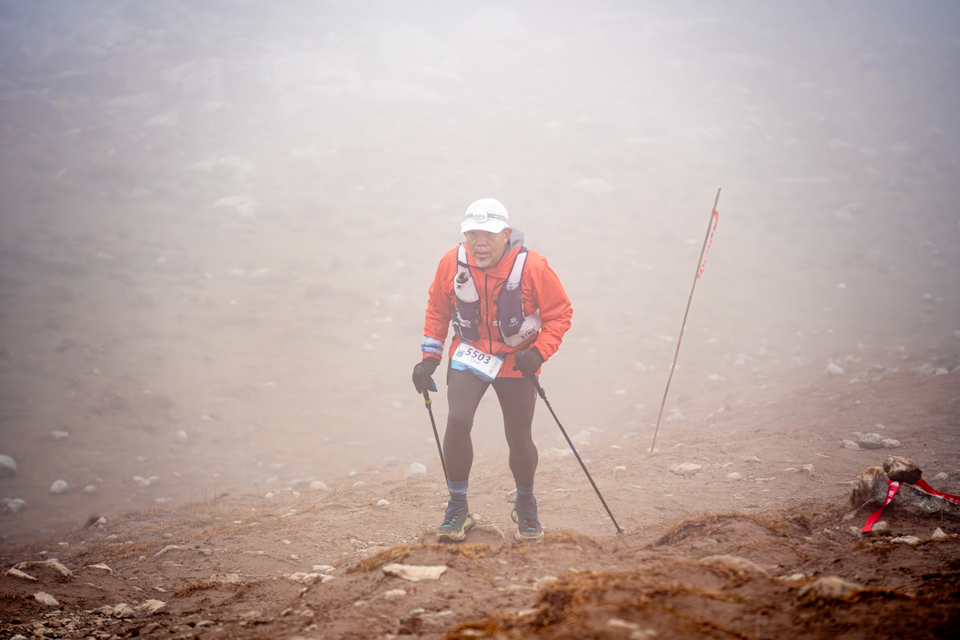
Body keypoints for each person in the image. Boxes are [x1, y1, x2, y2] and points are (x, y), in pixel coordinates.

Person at [411, 198, 573, 542]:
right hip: (469, 353)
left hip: (516, 358)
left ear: (506, 234)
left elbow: (560, 313)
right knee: (457, 421)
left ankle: (525, 506)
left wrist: (540, 353)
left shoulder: (533, 267)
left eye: (488, 233)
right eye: (472, 233)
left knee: (518, 435)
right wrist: (429, 359)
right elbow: (438, 310)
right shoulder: (450, 263)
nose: (479, 242)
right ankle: (458, 509)